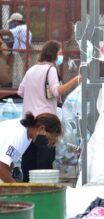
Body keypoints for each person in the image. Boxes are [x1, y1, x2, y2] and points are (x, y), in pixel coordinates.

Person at [18, 40, 80, 182]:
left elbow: (21, 92)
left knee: (28, 165)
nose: (61, 56)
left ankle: (28, 195)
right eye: (59, 53)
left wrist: (35, 95)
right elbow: (56, 91)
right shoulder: (50, 69)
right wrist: (75, 80)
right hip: (45, 126)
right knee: (44, 166)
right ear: (52, 54)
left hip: (29, 128)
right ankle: (42, 196)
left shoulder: (31, 69)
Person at [0, 112, 62, 183]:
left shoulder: (27, 135)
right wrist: (15, 186)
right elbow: (1, 166)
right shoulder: (19, 134)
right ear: (41, 128)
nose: (47, 143)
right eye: (48, 139)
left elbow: (7, 159)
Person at [0, 12, 32, 86]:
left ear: (17, 21)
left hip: (20, 52)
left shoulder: (20, 28)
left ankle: (18, 86)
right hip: (23, 52)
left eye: (12, 22)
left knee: (18, 72)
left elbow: (5, 32)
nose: (11, 24)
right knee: (22, 70)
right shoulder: (25, 28)